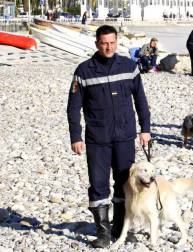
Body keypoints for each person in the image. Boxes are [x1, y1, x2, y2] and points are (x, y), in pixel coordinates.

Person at [67, 25, 151, 248]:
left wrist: (145, 129)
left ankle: (120, 228)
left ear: (117, 41)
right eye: (104, 43)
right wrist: (76, 136)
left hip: (124, 136)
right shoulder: (84, 71)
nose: (108, 47)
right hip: (97, 139)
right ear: (97, 44)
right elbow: (73, 107)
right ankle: (103, 233)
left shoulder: (128, 66)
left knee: (124, 183)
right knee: (98, 185)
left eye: (112, 43)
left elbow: (141, 100)